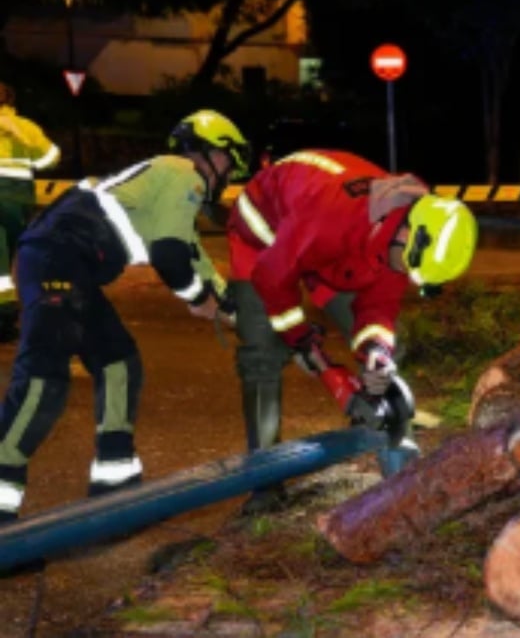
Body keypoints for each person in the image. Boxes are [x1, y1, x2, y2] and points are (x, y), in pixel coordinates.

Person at [0, 109, 247, 525]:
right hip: (58, 261)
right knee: (43, 381)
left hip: (63, 263)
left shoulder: (170, 186)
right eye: (228, 161)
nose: (226, 174)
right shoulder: (183, 173)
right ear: (210, 153)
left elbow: (193, 258)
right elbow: (170, 257)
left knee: (119, 363)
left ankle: (115, 486)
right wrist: (197, 298)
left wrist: (236, 311)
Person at [225, 148, 478, 514]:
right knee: (263, 355)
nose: (404, 274)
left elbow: (378, 308)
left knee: (391, 341)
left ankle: (376, 438)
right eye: (406, 264)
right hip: (264, 239)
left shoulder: (398, 239)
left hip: (334, 252)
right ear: (407, 234)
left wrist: (377, 352)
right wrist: (303, 343)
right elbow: (273, 275)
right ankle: (265, 485)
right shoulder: (330, 217)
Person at [0, 81, 62, 343]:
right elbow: (51, 158)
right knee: (8, 255)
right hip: (18, 200)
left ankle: (4, 315)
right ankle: (5, 316)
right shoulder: (25, 127)